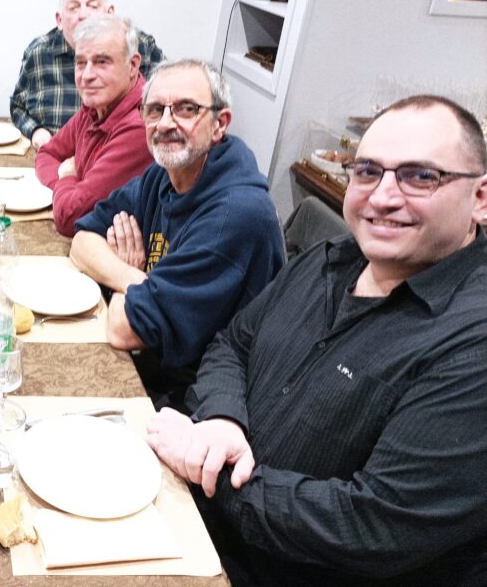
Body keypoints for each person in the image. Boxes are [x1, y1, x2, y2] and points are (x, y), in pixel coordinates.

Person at [146, 95, 487, 586]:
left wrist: (214, 474)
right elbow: (234, 343)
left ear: (478, 197)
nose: (383, 196)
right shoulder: (328, 260)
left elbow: (371, 526)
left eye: (420, 176)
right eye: (367, 171)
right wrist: (222, 418)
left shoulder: (471, 344)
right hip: (198, 520)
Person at [70, 59, 284, 406]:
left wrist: (128, 282)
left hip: (202, 402)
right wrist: (135, 278)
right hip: (154, 365)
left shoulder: (234, 217)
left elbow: (123, 329)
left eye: (186, 109)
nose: (166, 123)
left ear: (220, 124)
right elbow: (81, 242)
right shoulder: (164, 174)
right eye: (155, 110)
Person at [10, 0, 163, 150]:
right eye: (73, 8)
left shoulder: (137, 46)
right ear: (59, 20)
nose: (83, 15)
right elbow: (18, 105)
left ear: (110, 13)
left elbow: (169, 100)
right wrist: (35, 131)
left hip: (118, 154)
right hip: (54, 151)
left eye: (92, 6)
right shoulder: (38, 52)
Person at [34, 14, 154, 237]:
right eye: (81, 63)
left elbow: (69, 218)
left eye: (102, 62)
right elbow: (47, 154)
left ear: (133, 65)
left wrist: (68, 178)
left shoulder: (140, 125)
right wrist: (72, 190)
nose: (87, 75)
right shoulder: (95, 106)